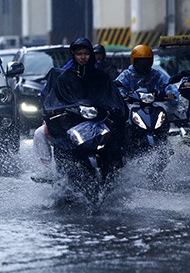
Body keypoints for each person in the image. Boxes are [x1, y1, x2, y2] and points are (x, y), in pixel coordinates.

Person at [33, 37, 127, 172]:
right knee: (42, 133)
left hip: (97, 119)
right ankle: (47, 171)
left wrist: (113, 108)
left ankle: (116, 164)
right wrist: (58, 110)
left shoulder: (100, 76)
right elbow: (55, 98)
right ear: (74, 55)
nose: (83, 57)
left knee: (116, 132)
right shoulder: (64, 77)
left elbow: (110, 96)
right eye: (79, 54)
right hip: (72, 119)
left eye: (86, 53)